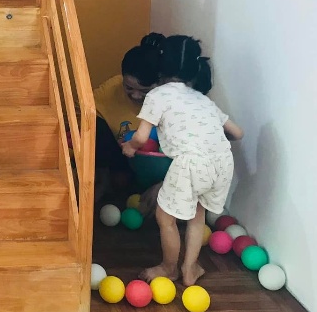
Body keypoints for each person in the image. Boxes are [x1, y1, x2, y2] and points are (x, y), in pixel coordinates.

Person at [122, 35, 243, 286]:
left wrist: (130, 147)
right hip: (222, 163)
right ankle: (190, 268)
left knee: (165, 218)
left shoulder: (158, 95)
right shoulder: (203, 99)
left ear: (160, 67)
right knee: (197, 216)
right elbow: (237, 133)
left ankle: (169, 268)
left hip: (191, 164)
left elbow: (141, 136)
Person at [93, 33, 166, 199]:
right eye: (129, 88)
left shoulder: (165, 99)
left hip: (155, 164)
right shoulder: (111, 90)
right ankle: (104, 182)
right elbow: (82, 112)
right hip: (121, 156)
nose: (136, 95)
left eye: (144, 91)